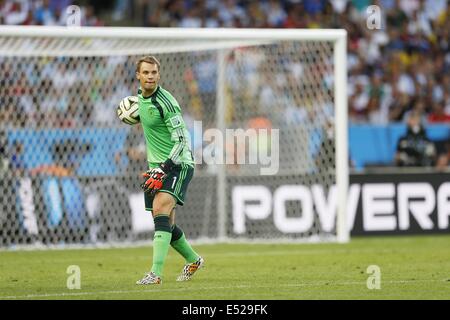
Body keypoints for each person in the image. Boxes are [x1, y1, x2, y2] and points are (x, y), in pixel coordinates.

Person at [133, 56, 203, 285]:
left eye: (154, 72)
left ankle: (155, 273)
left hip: (178, 164)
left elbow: (183, 139)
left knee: (161, 208)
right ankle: (193, 260)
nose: (150, 76)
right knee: (165, 223)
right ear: (138, 76)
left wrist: (164, 168)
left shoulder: (165, 102)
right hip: (156, 168)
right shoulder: (138, 100)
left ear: (158, 75)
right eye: (146, 73)